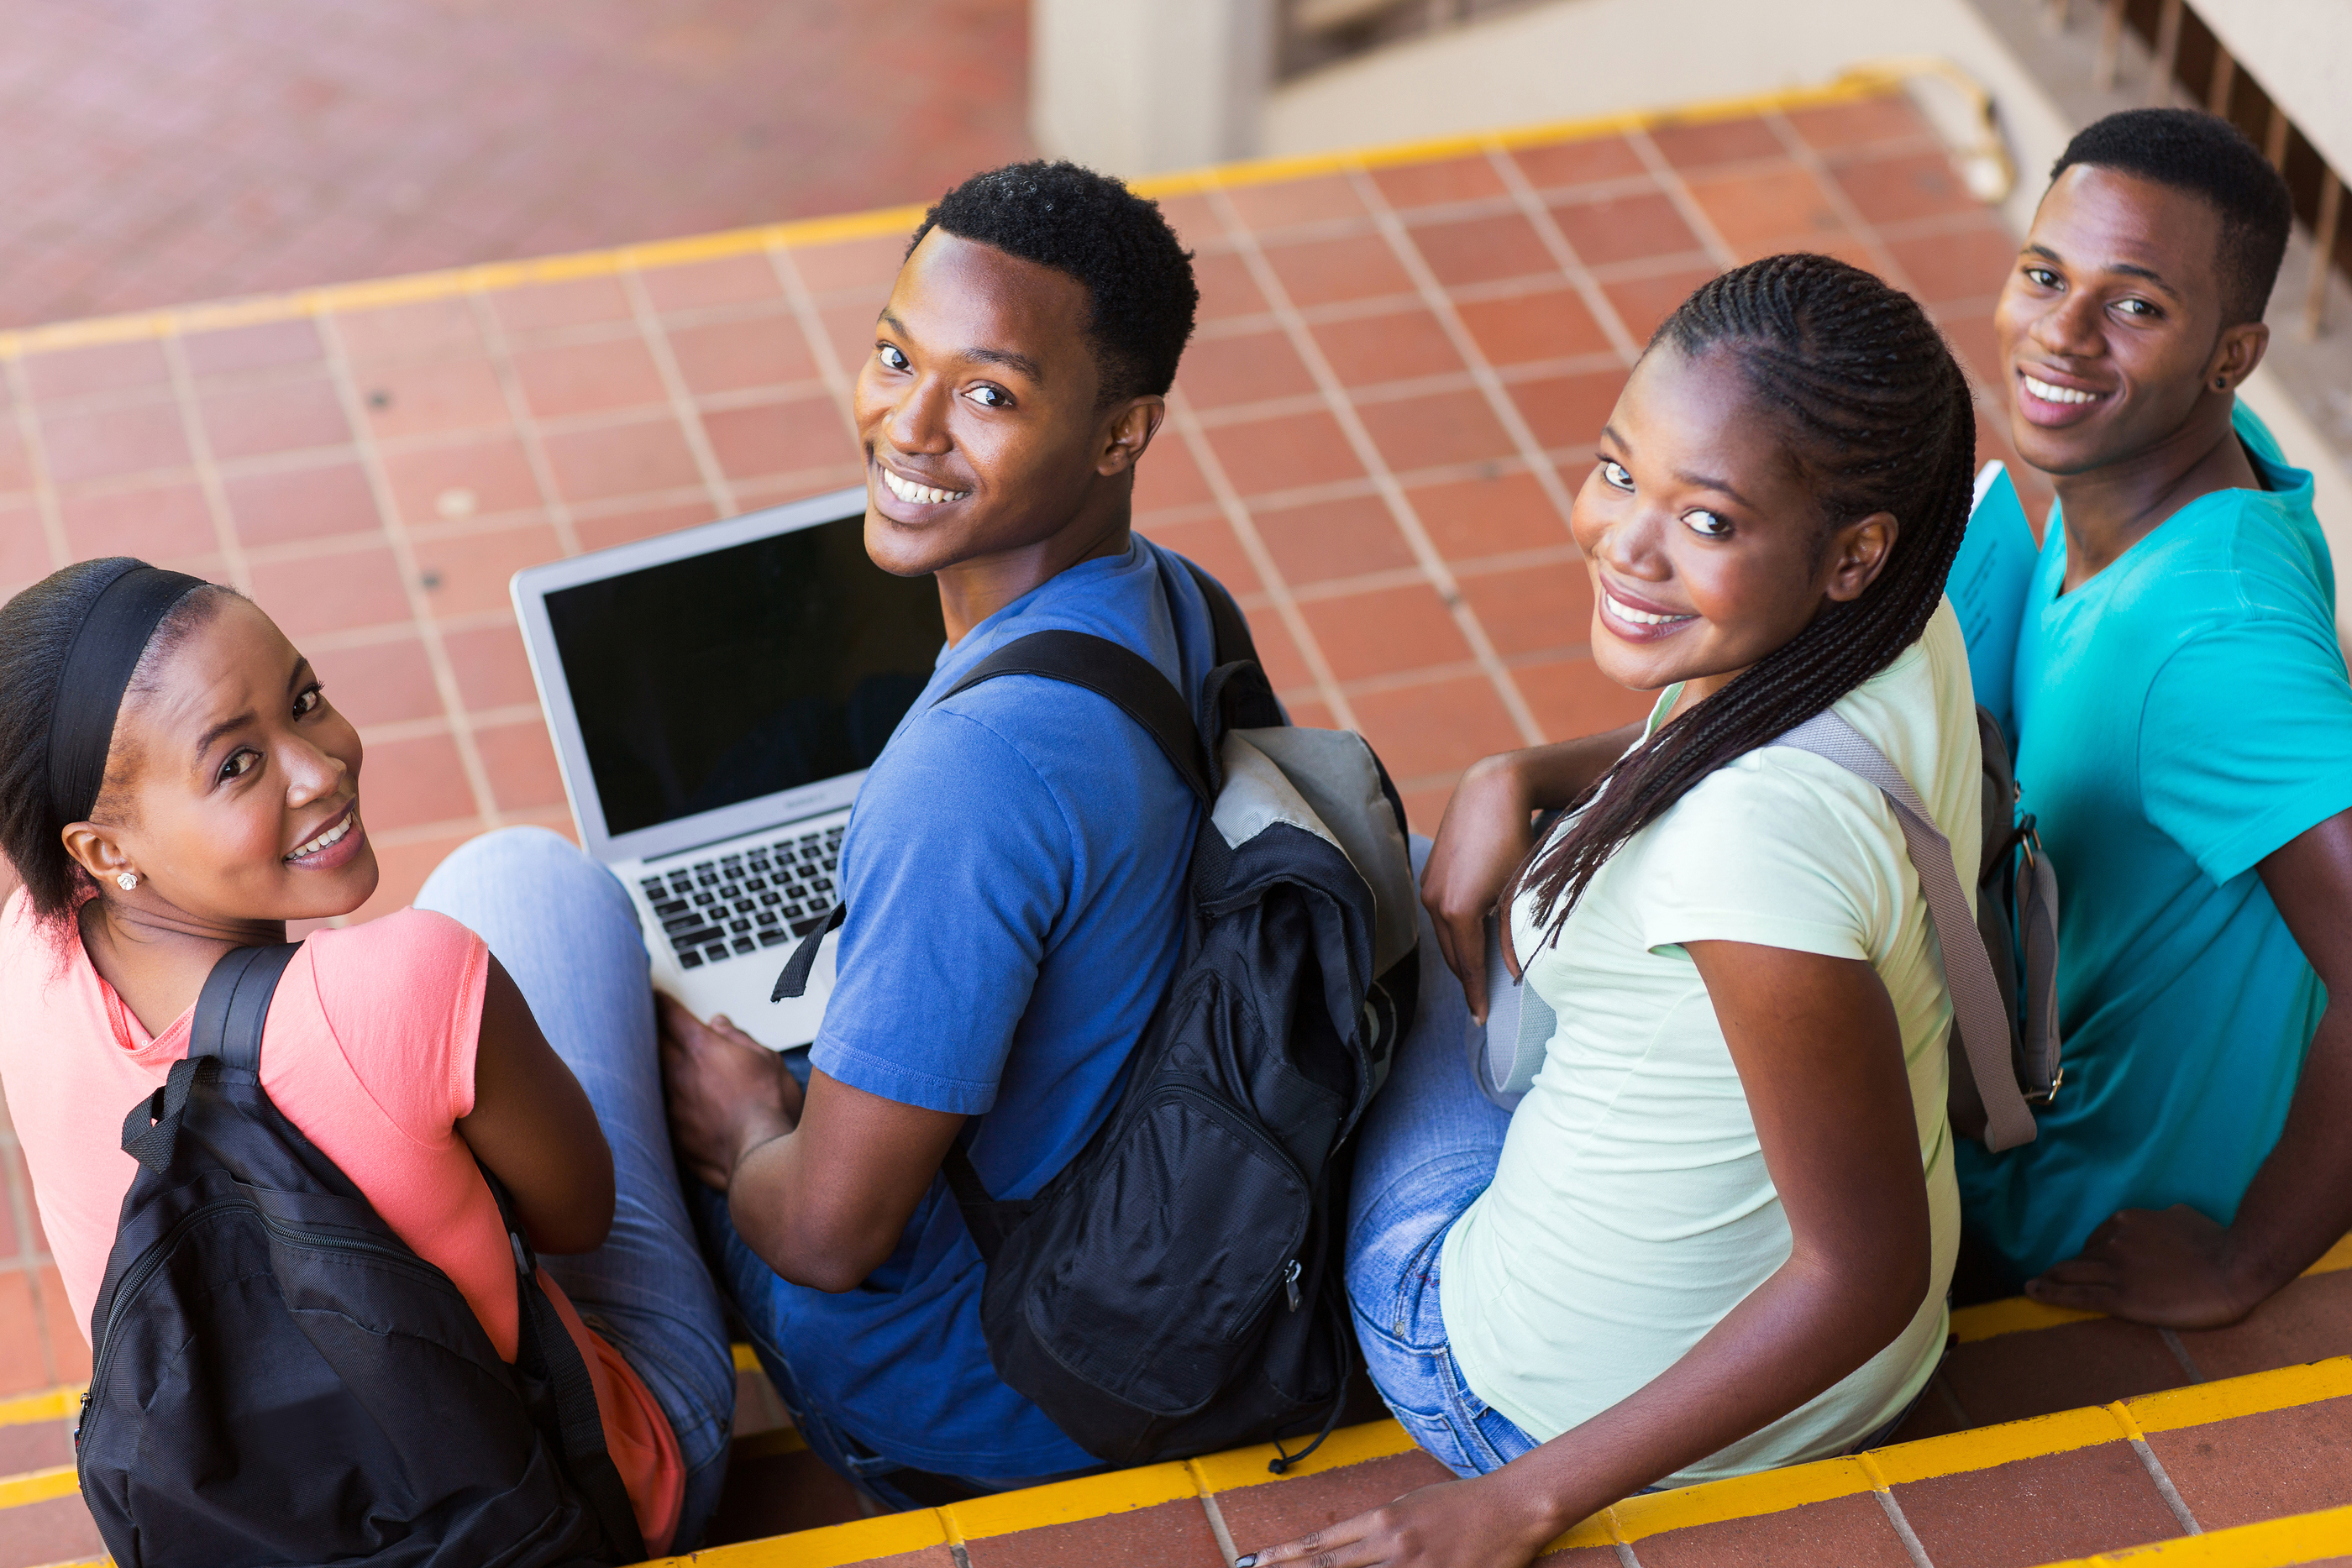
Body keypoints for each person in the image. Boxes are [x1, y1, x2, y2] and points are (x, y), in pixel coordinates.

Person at [1239, 254, 1980, 1568]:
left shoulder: (1743, 865)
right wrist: (1519, 770)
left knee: (1349, 885)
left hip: (1537, 1401)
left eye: (1706, 521)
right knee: (1432, 862)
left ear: (1852, 552)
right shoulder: (1911, 617)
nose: (1620, 539)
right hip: (1870, 1367)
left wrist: (1516, 1500)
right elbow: (1757, 742)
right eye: (1620, 469)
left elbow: (1862, 1268)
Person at [656, 162, 1229, 1503]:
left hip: (985, 1373)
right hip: (1124, 1217)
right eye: (894, 355)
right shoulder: (1173, 597)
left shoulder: (974, 773)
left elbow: (827, 1234)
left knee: (591, 1019)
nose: (907, 427)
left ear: (1120, 433)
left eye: (989, 393)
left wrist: (748, 1125)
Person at [0, 562, 738, 1556]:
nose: (320, 766)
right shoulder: (412, 978)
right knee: (521, 872)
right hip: (562, 1508)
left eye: (304, 701)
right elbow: (578, 1216)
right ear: (100, 850)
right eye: (235, 764)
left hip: (258, 1521)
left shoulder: (23, 951)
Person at [1955, 108, 2352, 1324]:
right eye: (2044, 274)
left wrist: (2244, 1264)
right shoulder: (2177, 458)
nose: (2060, 334)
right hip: (2024, 1060)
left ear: (2230, 356)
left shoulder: (2212, 640)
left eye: (2135, 305)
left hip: (2070, 1195)